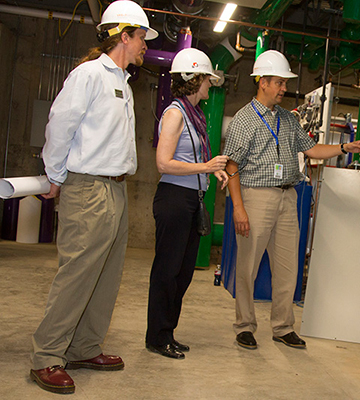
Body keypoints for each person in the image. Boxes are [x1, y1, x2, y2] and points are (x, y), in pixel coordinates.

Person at [30, 0, 157, 394]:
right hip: (88, 187)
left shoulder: (121, 81)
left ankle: (84, 346)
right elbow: (60, 125)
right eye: (141, 39)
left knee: (106, 276)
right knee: (77, 275)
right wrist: (54, 175)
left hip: (116, 188)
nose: (145, 47)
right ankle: (47, 356)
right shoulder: (89, 75)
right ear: (123, 36)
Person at [223, 50, 360, 350]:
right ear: (262, 82)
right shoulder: (244, 120)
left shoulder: (287, 120)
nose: (284, 88)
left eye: (284, 83)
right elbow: (231, 166)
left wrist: (345, 147)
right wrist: (238, 207)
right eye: (279, 82)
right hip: (255, 198)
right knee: (248, 265)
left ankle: (282, 327)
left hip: (287, 198)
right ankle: (245, 325)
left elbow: (312, 149)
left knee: (287, 267)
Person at [145, 48, 229, 359]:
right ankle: (157, 336)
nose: (210, 85)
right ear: (195, 79)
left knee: (183, 272)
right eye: (207, 79)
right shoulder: (175, 113)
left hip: (192, 199)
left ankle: (167, 331)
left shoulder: (195, 115)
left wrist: (212, 170)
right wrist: (205, 167)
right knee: (167, 270)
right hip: (173, 199)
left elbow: (190, 158)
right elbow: (163, 163)